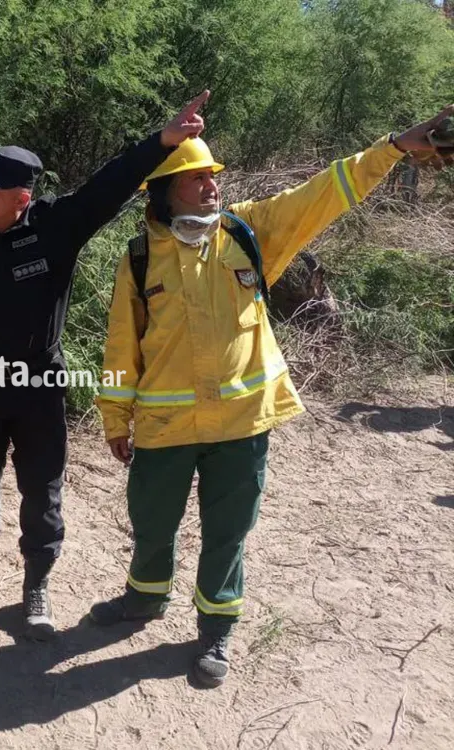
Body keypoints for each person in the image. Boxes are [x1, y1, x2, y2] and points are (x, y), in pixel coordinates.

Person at [89, 103, 454, 687]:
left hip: (241, 424)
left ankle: (215, 629)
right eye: (197, 177)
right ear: (164, 192)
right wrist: (114, 417)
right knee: (152, 522)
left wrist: (395, 147)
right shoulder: (138, 259)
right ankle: (144, 598)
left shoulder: (248, 232)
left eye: (214, 176)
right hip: (165, 428)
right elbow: (118, 348)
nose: (211, 185)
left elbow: (326, 190)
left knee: (228, 531)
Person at [0, 93, 212, 639]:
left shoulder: (57, 226)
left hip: (38, 384)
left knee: (41, 486)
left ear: (22, 198)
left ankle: (37, 584)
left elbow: (112, 182)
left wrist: (163, 142)